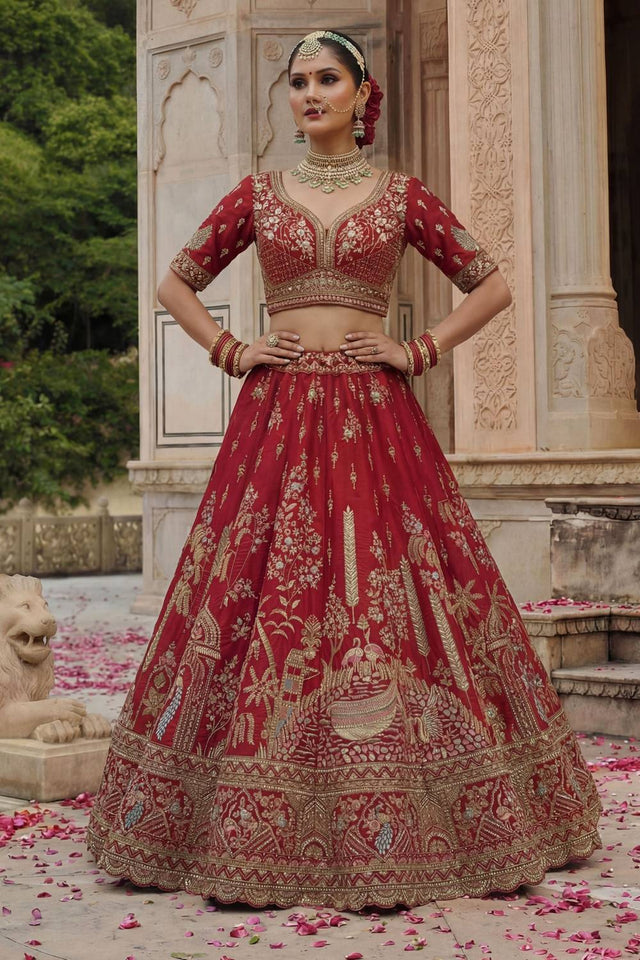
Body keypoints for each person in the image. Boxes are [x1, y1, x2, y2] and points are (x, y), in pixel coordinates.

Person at [87, 28, 603, 911]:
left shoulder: (401, 196)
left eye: (328, 79)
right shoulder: (259, 195)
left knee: (388, 598)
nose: (310, 94)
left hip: (376, 418)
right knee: (265, 596)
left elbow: (492, 285)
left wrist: (418, 349)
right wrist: (231, 350)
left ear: (363, 95)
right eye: (298, 82)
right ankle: (240, 817)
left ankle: (413, 806)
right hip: (277, 418)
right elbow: (175, 282)